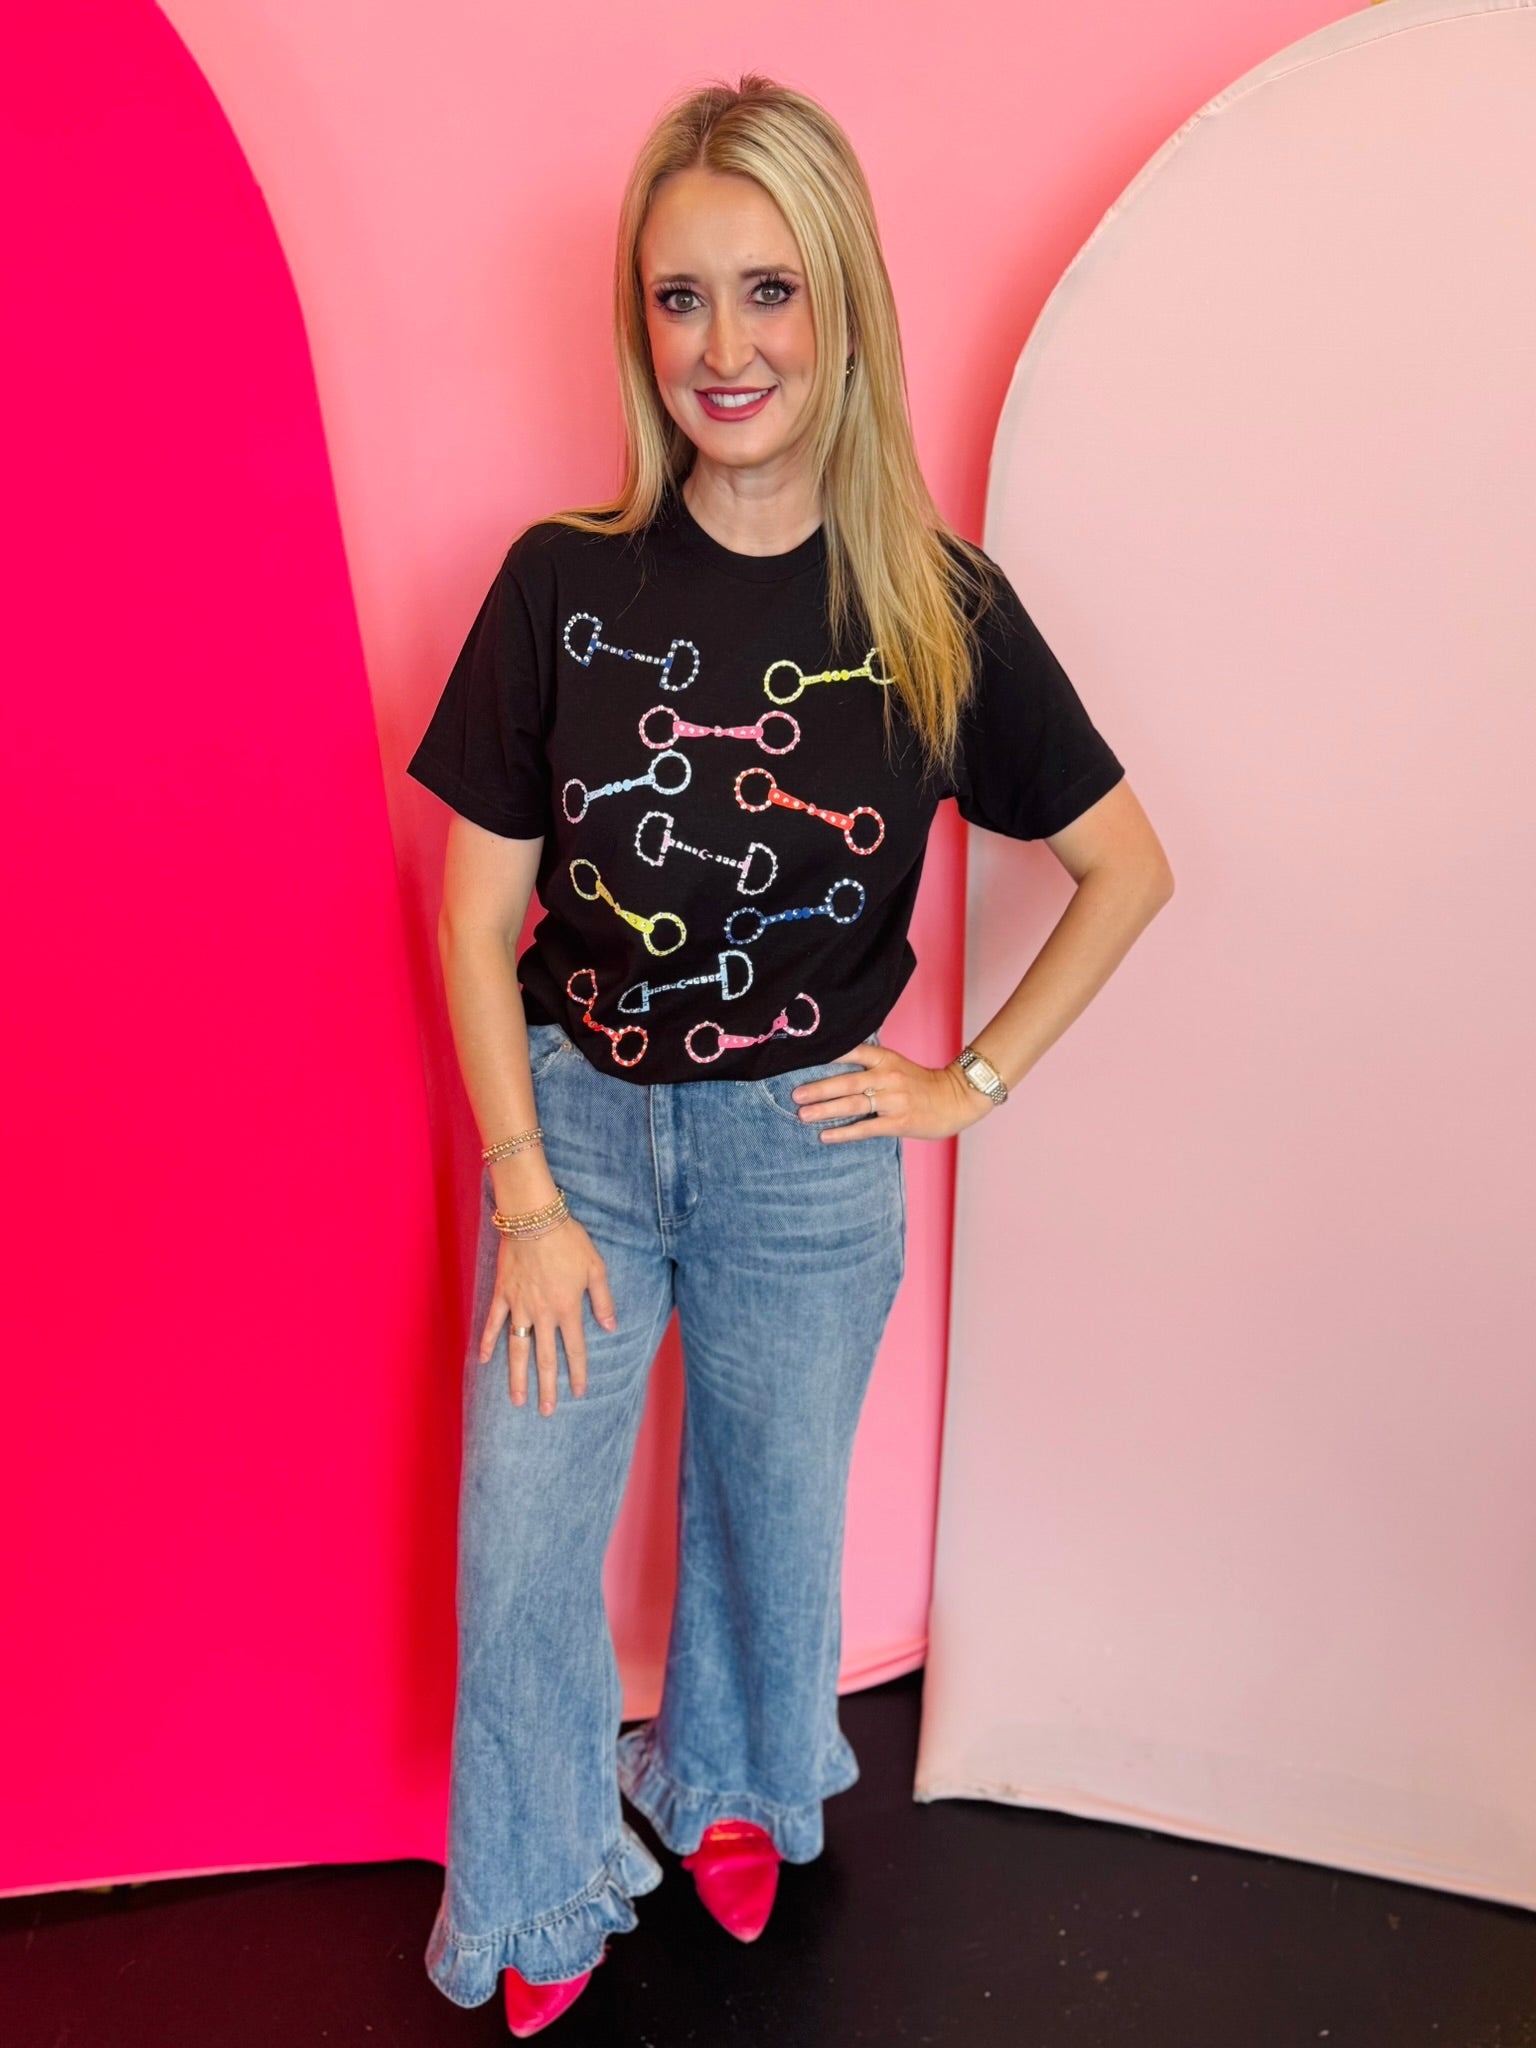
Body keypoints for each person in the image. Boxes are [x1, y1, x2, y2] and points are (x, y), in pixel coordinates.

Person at [406, 72, 1173, 2038]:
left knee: (770, 1516)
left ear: (843, 307)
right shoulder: (561, 585)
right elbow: (473, 921)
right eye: (681, 298)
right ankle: (542, 1871)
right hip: (577, 1136)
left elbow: (1125, 867)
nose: (724, 348)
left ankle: (736, 1785)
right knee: (522, 1539)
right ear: (640, 322)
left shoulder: (934, 605)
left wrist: (964, 1082)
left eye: (769, 291)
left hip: (803, 1152)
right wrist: (525, 1191)